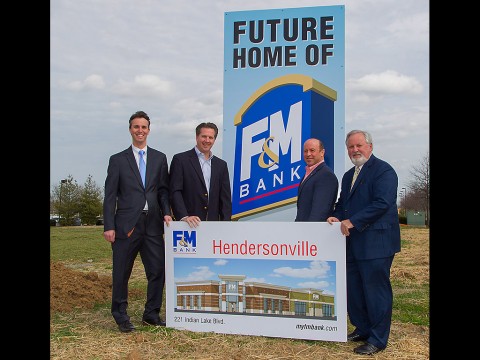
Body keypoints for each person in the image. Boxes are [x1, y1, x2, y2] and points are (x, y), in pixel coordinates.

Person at [327, 130, 400, 355]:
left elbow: (382, 203)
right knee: (355, 290)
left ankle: (377, 339)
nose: (355, 150)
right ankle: (363, 328)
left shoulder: (384, 171)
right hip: (352, 243)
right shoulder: (349, 175)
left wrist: (352, 221)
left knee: (375, 291)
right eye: (350, 147)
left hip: (376, 243)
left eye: (359, 145)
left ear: (370, 146)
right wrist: (336, 216)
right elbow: (343, 204)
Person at [103, 110, 173, 333]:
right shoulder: (117, 160)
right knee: (122, 272)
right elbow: (110, 195)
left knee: (158, 270)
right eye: (136, 127)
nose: (140, 130)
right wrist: (109, 226)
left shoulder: (160, 158)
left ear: (149, 130)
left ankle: (151, 314)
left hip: (152, 225)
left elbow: (163, 191)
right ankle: (120, 315)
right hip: (126, 226)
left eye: (144, 127)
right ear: (130, 129)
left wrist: (167, 212)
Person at [169, 122, 232, 227]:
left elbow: (225, 199)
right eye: (204, 136)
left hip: (213, 226)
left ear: (214, 140)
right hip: (188, 225)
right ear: (197, 137)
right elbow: (175, 191)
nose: (207, 140)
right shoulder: (180, 160)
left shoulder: (221, 165)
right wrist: (184, 216)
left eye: (210, 137)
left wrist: (226, 225)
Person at [295, 138, 338, 222]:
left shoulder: (326, 175)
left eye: (312, 150)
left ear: (322, 152)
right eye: (305, 151)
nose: (308, 154)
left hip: (313, 231)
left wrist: (310, 232)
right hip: (302, 230)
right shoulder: (308, 174)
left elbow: (320, 211)